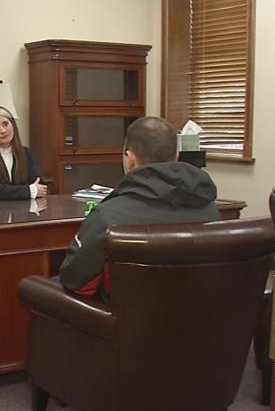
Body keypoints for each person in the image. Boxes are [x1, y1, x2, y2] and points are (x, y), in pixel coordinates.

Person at [58, 116, 220, 301]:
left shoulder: (107, 218)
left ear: (130, 159)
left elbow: (76, 282)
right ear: (176, 157)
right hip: (198, 320)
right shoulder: (210, 212)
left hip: (125, 323)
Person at [0, 106, 48, 200]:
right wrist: (29, 191)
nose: (3, 130)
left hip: (23, 211)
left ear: (13, 125)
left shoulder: (26, 153)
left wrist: (0, 186)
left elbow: (41, 188)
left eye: (6, 124)